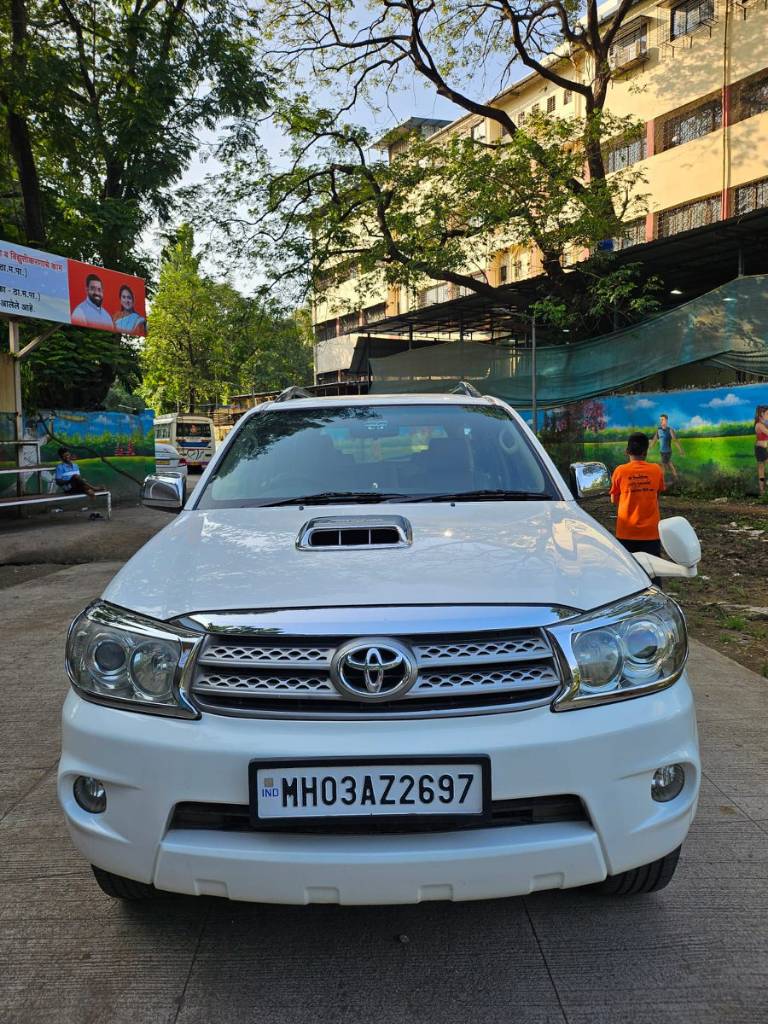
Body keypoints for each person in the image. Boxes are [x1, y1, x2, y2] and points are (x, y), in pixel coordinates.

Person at [610, 432, 665, 557]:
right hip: (651, 533)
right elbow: (656, 495)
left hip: (626, 532)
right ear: (645, 451)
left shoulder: (620, 471)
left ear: (627, 451)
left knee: (628, 567)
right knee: (651, 567)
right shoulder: (656, 469)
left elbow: (614, 500)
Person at [649, 413, 684, 485]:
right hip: (661, 451)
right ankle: (675, 477)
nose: (661, 421)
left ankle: (662, 481)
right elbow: (654, 439)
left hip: (667, 451)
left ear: (666, 420)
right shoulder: (658, 430)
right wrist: (650, 446)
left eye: (662, 419)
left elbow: (675, 440)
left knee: (663, 465)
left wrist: (680, 450)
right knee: (669, 463)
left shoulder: (670, 430)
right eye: (660, 420)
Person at [755, 406, 768, 496]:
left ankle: (762, 492)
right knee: (761, 470)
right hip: (760, 449)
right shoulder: (759, 425)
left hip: (763, 449)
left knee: (761, 470)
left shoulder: (763, 424)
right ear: (762, 414)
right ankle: (762, 491)